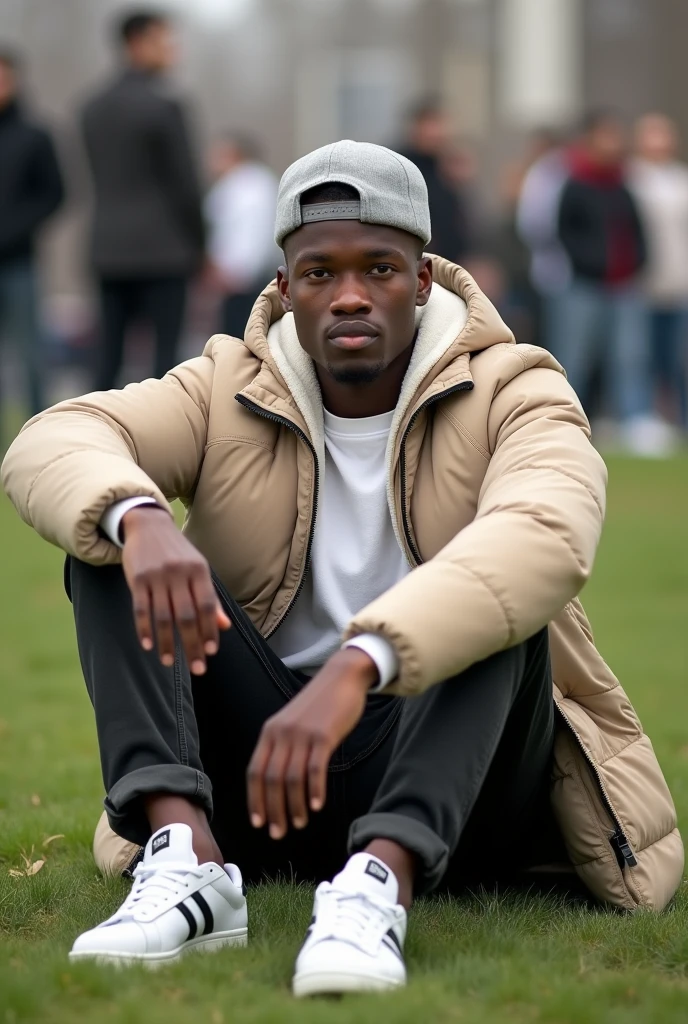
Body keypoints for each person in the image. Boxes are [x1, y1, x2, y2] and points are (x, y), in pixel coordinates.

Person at [2, 141, 681, 994]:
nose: (350, 295)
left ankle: (378, 886)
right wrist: (138, 516)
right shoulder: (223, 384)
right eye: (319, 273)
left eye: (380, 269)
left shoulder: (518, 388)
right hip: (260, 778)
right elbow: (54, 438)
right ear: (285, 289)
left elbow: (547, 533)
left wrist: (363, 662)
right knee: (107, 543)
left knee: (500, 608)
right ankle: (185, 858)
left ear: (425, 278)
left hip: (448, 784)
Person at [81, 9, 205, 391]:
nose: (172, 51)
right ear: (135, 44)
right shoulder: (165, 106)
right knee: (164, 361)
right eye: (162, 41)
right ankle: (158, 444)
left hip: (107, 248)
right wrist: (201, 244)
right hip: (164, 249)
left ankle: (92, 434)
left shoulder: (91, 107)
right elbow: (185, 185)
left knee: (108, 357)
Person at [555, 111, 667, 453]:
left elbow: (638, 230)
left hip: (625, 286)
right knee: (575, 356)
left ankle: (634, 420)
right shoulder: (575, 183)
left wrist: (638, 262)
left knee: (631, 354)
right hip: (583, 286)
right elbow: (565, 232)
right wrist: (591, 263)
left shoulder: (622, 184)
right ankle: (564, 420)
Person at [0, 47, 64, 427]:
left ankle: (39, 431)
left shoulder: (35, 135)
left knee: (31, 355)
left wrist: (12, 230)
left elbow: (55, 193)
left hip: (20, 262)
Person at [630, 114, 688, 431]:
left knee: (677, 360)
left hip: (679, 285)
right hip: (641, 285)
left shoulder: (681, 180)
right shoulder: (632, 179)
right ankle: (645, 421)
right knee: (641, 358)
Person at [204, 132, 279, 339]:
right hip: (235, 275)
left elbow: (252, 232)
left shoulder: (249, 186)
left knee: (238, 334)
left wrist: (235, 270)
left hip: (239, 277)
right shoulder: (242, 184)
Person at [516, 129, 572, 351]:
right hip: (554, 269)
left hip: (559, 268)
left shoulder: (549, 172)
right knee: (561, 338)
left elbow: (530, 224)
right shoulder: (546, 173)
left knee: (562, 339)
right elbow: (533, 225)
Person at [400, 98, 470, 263]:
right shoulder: (402, 166)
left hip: (451, 262)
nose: (438, 133)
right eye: (432, 125)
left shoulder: (447, 167)